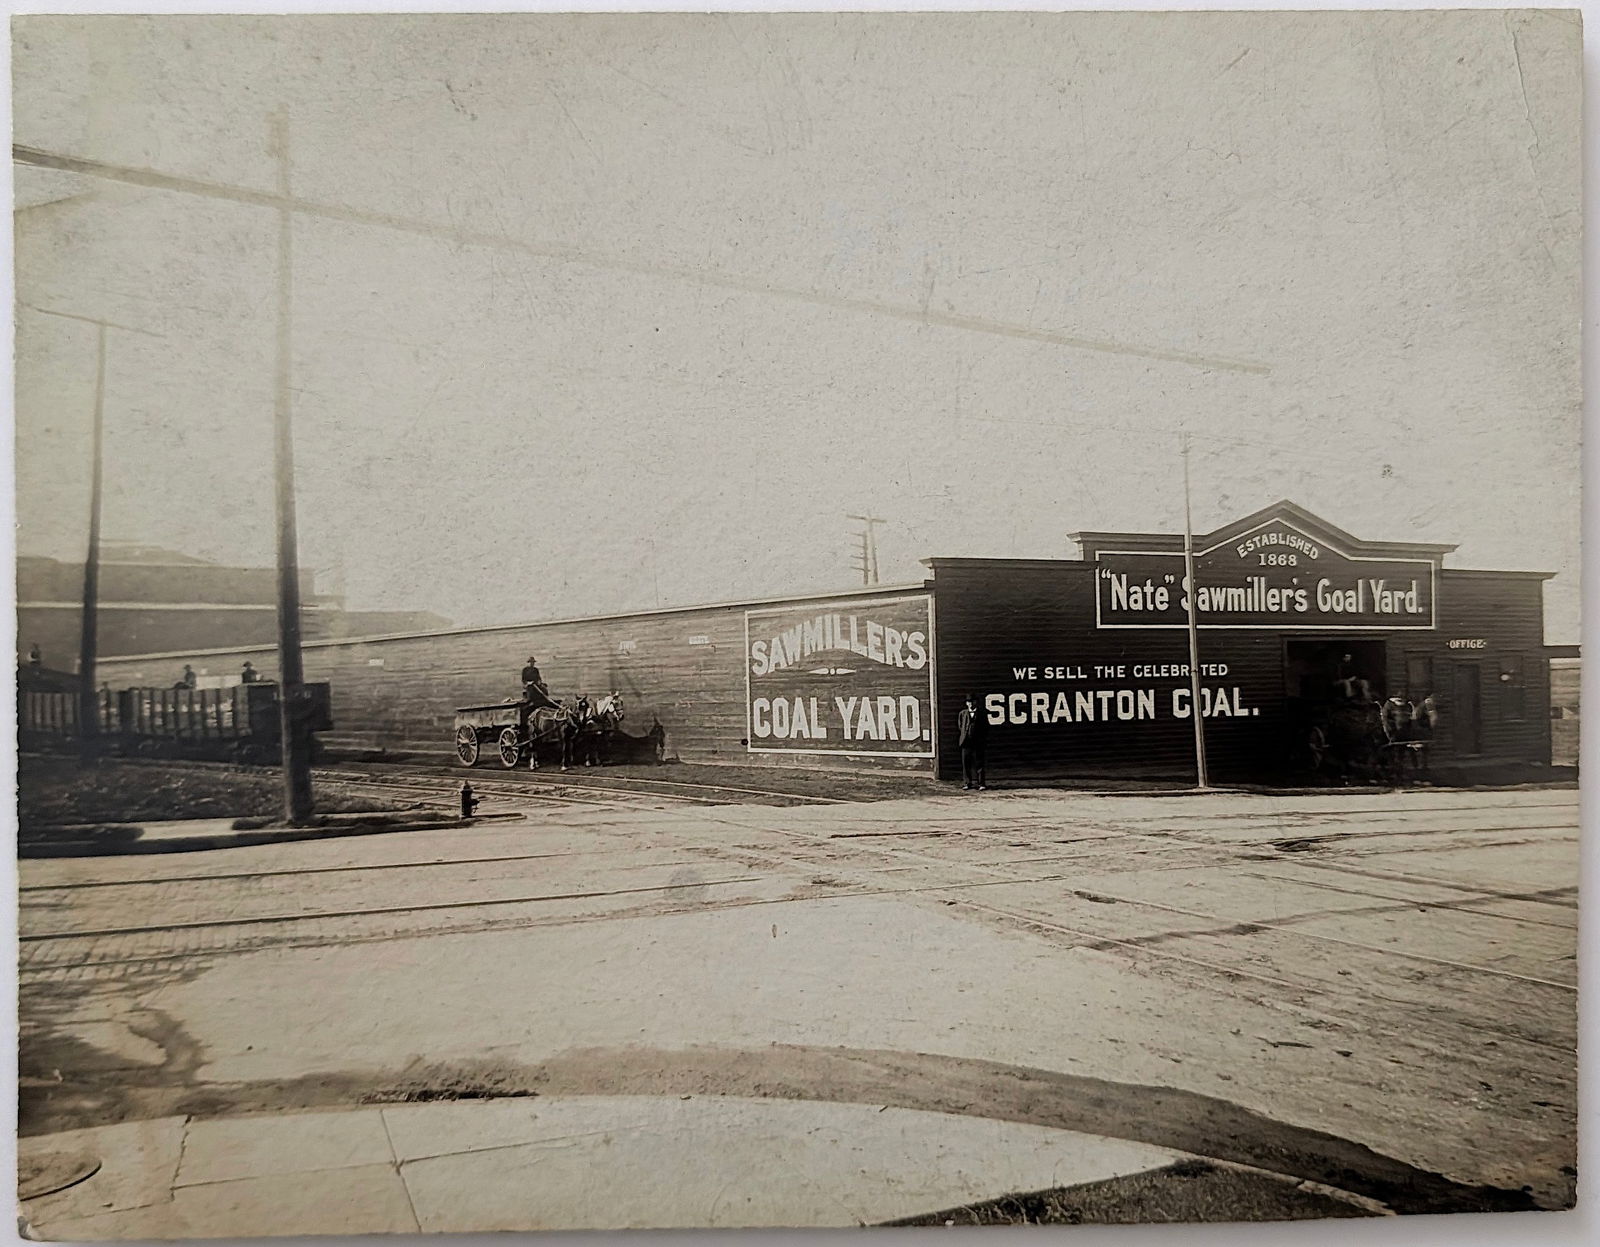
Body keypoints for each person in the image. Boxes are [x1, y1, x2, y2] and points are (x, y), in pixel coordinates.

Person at [957, 694, 987, 790]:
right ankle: (967, 783)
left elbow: (985, 727)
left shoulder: (982, 714)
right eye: (969, 702)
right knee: (966, 764)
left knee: (979, 763)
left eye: (972, 702)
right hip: (966, 743)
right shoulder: (962, 714)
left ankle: (981, 783)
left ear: (976, 702)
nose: (971, 704)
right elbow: (960, 726)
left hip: (978, 742)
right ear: (966, 703)